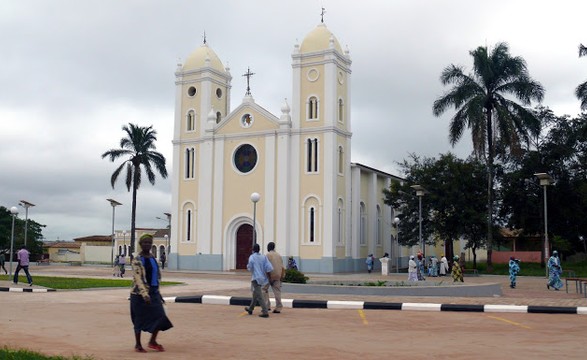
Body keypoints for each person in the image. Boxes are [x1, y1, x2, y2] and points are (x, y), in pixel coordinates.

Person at [130, 234, 173, 353]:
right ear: (140, 244)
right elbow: (138, 278)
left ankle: (152, 341)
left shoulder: (153, 258)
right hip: (138, 295)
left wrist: (158, 294)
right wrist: (144, 294)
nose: (147, 245)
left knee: (161, 316)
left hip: (153, 292)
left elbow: (156, 277)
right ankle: (138, 344)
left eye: (149, 243)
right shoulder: (137, 260)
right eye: (145, 243)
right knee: (139, 319)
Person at [244, 243, 273, 318]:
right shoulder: (263, 257)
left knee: (259, 296)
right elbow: (269, 267)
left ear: (253, 250)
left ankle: (265, 311)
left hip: (255, 278)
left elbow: (250, 266)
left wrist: (251, 269)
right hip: (262, 278)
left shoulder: (252, 257)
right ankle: (250, 309)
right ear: (259, 249)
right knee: (255, 294)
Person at [262, 242, 285, 314]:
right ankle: (278, 307)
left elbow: (266, 267)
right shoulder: (279, 255)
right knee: (277, 292)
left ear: (269, 247)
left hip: (270, 276)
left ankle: (267, 306)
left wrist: (269, 278)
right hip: (278, 275)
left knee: (263, 290)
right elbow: (283, 267)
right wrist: (281, 276)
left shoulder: (268, 255)